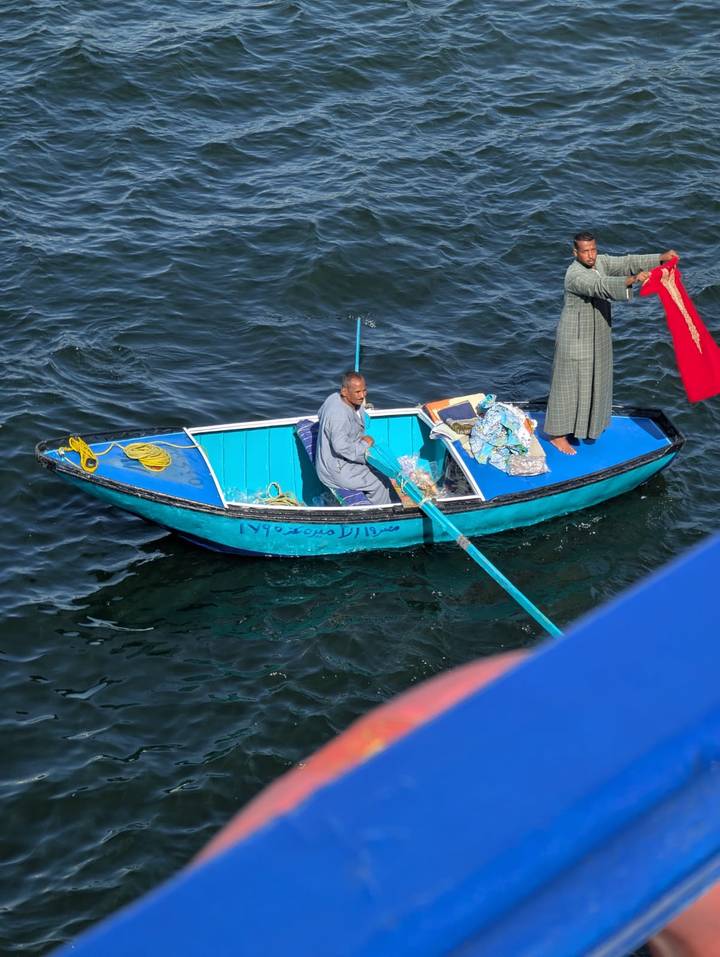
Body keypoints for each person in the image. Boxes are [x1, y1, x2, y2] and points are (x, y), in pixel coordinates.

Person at [545, 232, 679, 455]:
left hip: (597, 335)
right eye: (585, 251)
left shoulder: (600, 262)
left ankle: (583, 426)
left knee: (593, 380)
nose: (590, 255)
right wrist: (632, 280)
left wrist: (660, 258)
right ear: (575, 252)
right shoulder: (574, 275)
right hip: (575, 338)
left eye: (593, 250)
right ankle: (556, 435)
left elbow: (626, 262)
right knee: (568, 385)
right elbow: (600, 285)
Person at [315, 372, 394, 505]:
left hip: (331, 461)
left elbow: (320, 413)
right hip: (334, 471)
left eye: (364, 390)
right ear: (344, 391)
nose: (362, 396)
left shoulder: (333, 397)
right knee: (380, 482)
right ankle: (379, 514)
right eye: (357, 392)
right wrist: (363, 444)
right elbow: (341, 447)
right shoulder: (338, 416)